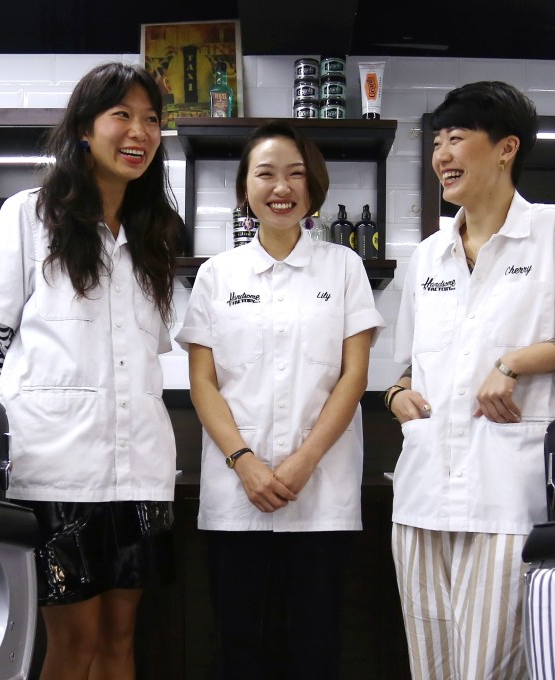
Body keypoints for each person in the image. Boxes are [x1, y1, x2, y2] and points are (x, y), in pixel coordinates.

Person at [386, 81, 555, 679]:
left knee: (490, 671)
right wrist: (398, 395)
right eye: (437, 141)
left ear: (506, 149)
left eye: (458, 138)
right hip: (422, 496)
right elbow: (406, 364)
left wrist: (514, 362)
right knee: (432, 671)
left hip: (508, 494)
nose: (442, 154)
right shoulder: (427, 257)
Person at [0, 62, 180, 680]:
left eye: (151, 120)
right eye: (123, 115)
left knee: (121, 636)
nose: (139, 130)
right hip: (56, 466)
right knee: (74, 638)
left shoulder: (152, 237)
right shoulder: (29, 215)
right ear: (86, 127)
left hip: (138, 465)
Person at [176, 121, 384, 680]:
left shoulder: (345, 268)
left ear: (313, 187)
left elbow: (353, 375)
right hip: (235, 491)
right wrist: (244, 463)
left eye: (296, 174)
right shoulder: (217, 275)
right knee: (238, 643)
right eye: (265, 174)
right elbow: (203, 382)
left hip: (321, 491)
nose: (281, 187)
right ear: (245, 188)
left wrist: (303, 460)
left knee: (316, 645)